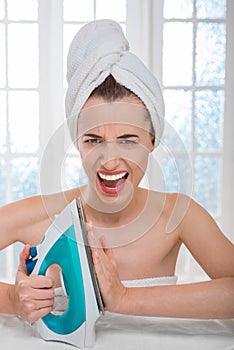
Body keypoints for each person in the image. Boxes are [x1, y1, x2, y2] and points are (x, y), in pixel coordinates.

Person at [0, 19, 233, 324]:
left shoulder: (180, 216)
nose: (110, 162)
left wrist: (124, 298)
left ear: (152, 140)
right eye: (93, 140)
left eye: (128, 140)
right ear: (77, 142)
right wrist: (12, 299)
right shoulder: (39, 215)